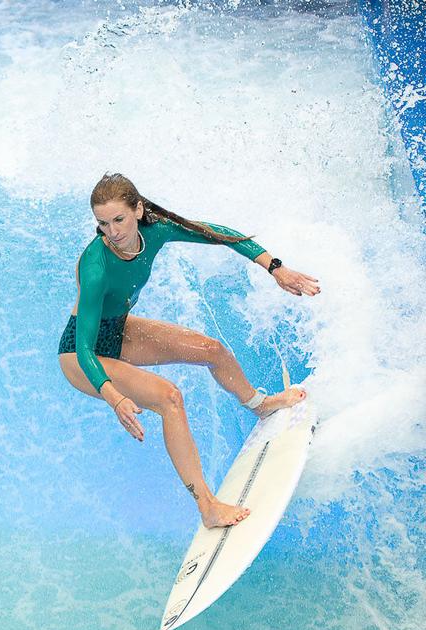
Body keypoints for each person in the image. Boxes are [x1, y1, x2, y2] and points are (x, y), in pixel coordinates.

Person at [58, 172, 321, 528]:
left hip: (117, 329)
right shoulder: (95, 266)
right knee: (169, 398)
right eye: (103, 224)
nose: (112, 231)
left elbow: (218, 233)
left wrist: (276, 268)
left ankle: (260, 404)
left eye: (119, 219)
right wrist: (114, 397)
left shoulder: (156, 231)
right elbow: (84, 348)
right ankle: (208, 507)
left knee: (211, 350)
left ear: (138, 210)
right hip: (81, 354)